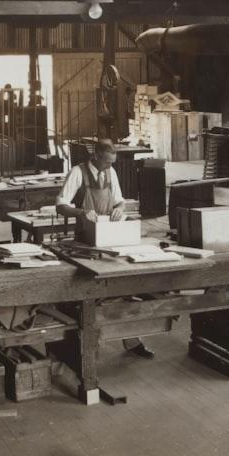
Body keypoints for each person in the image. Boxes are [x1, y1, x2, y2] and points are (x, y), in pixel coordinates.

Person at [56, 139, 155, 359]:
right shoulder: (77, 172)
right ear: (96, 156)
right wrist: (81, 212)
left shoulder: (112, 173)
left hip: (111, 238)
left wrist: (120, 209)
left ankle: (131, 340)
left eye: (113, 162)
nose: (110, 166)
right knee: (92, 293)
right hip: (86, 241)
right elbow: (60, 205)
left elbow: (119, 201)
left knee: (123, 289)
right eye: (107, 162)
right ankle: (88, 347)